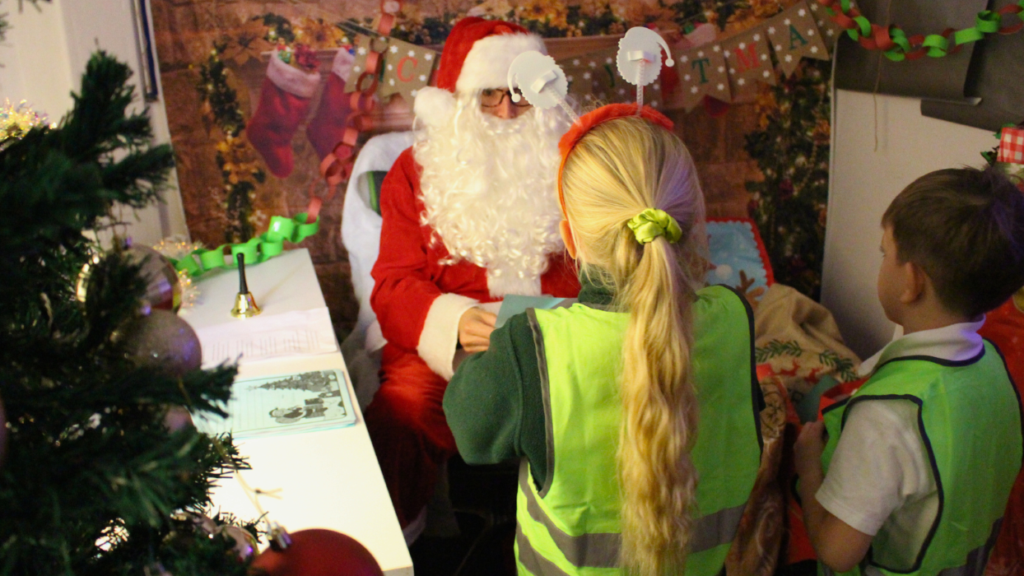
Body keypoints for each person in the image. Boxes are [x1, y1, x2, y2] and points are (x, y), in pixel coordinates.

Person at [443, 104, 763, 575]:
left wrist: (506, 353)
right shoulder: (735, 318)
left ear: (571, 239)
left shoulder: (532, 348)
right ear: (691, 222)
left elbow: (470, 433)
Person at [365, 17, 580, 540]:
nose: (507, 112)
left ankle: (592, 539)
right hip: (451, 353)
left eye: (520, 94)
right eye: (489, 95)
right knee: (401, 412)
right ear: (459, 100)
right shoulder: (414, 172)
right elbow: (393, 286)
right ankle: (405, 549)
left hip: (563, 345)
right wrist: (455, 323)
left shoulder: (576, 164)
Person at [794, 167, 1024, 575]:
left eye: (885, 253)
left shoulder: (886, 417)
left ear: (911, 282)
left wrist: (808, 468)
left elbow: (835, 552)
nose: (882, 262)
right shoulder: (994, 366)